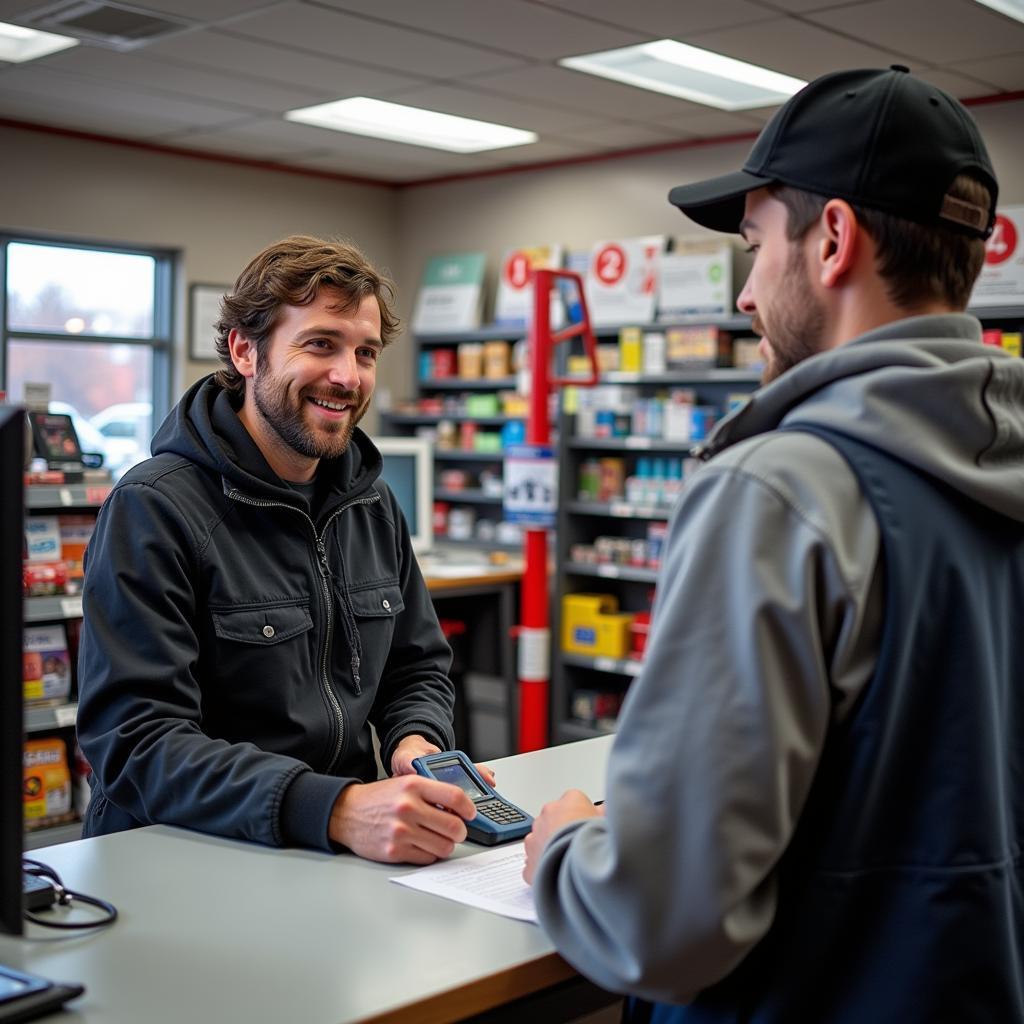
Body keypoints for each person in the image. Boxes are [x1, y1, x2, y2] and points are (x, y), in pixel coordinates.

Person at [524, 66, 1024, 1022]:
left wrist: (562, 846)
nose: (747, 295)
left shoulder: (781, 490)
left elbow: (656, 923)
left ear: (833, 239)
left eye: (755, 246)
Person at [77, 235, 489, 864]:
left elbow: (416, 667)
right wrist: (336, 808)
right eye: (320, 343)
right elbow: (137, 742)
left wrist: (416, 741)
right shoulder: (154, 508)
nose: (347, 377)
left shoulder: (369, 504)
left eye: (366, 352)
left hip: (331, 853)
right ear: (246, 351)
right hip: (175, 858)